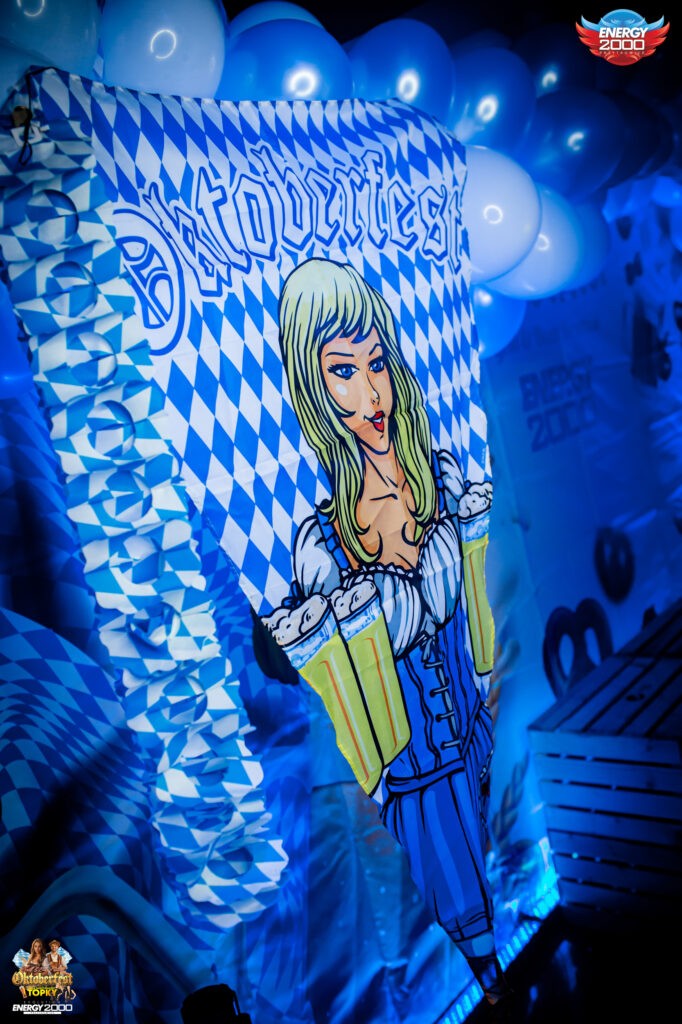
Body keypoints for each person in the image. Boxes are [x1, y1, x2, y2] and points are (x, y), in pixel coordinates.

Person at [267, 258, 511, 1008]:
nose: (370, 394)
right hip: (409, 783)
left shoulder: (438, 474)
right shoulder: (320, 541)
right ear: (313, 387)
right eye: (342, 371)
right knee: (461, 952)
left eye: (376, 362)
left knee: (499, 909)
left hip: (477, 741)